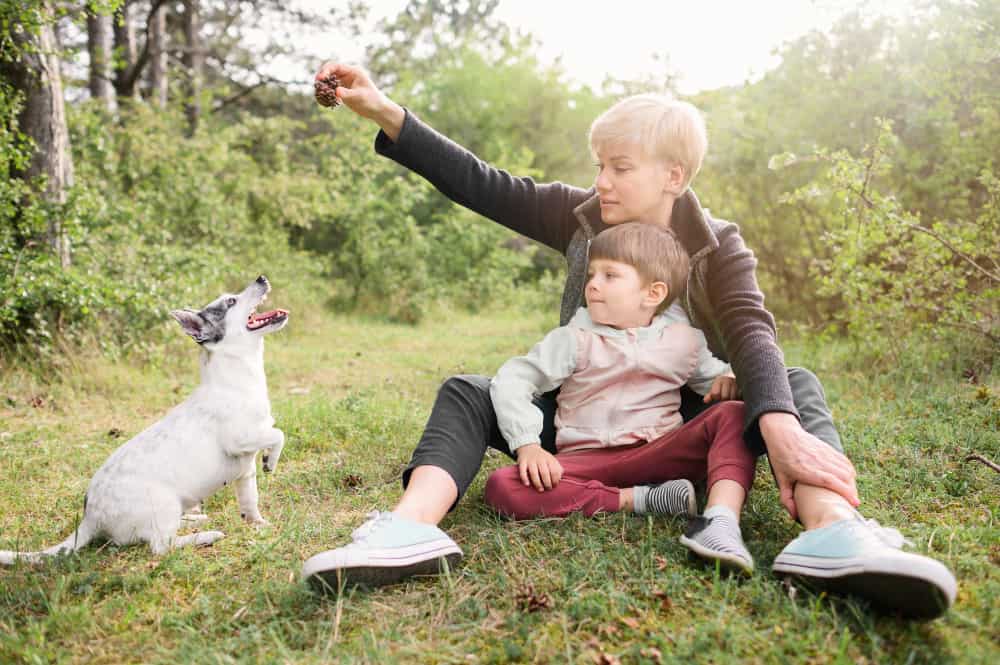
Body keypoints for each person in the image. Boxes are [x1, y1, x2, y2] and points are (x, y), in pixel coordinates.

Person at [300, 63, 957, 619]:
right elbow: (483, 182)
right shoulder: (581, 215)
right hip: (581, 425)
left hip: (679, 426)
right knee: (468, 393)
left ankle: (833, 530)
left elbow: (752, 328)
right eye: (599, 166)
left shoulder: (718, 242)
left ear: (674, 175)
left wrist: (779, 427)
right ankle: (410, 528)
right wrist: (383, 109)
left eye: (620, 167)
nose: (603, 182)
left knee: (796, 383)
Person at [485, 222, 757, 575]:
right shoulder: (574, 338)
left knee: (733, 415)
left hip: (660, 453)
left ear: (653, 293)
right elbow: (513, 379)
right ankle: (643, 500)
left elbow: (716, 379)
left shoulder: (684, 341)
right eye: (592, 274)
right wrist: (528, 446)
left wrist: (732, 376)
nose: (592, 284)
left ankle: (720, 520)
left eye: (610, 275)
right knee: (502, 486)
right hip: (587, 461)